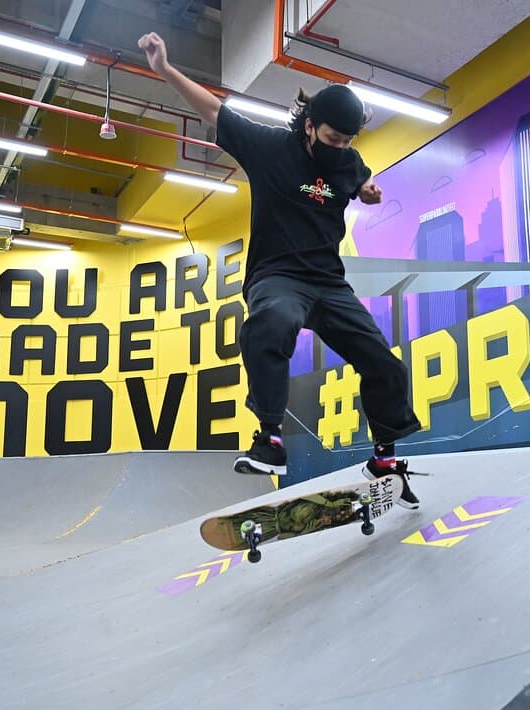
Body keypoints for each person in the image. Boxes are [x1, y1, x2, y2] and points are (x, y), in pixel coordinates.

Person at [138, 32, 423, 508]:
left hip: (328, 283)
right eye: (333, 138)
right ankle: (270, 437)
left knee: (384, 364)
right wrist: (166, 69)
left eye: (348, 141)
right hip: (277, 277)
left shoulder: (348, 161)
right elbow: (214, 110)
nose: (340, 147)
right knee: (271, 323)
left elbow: (361, 177)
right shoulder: (269, 147)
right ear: (310, 126)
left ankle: (385, 459)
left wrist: (368, 189)